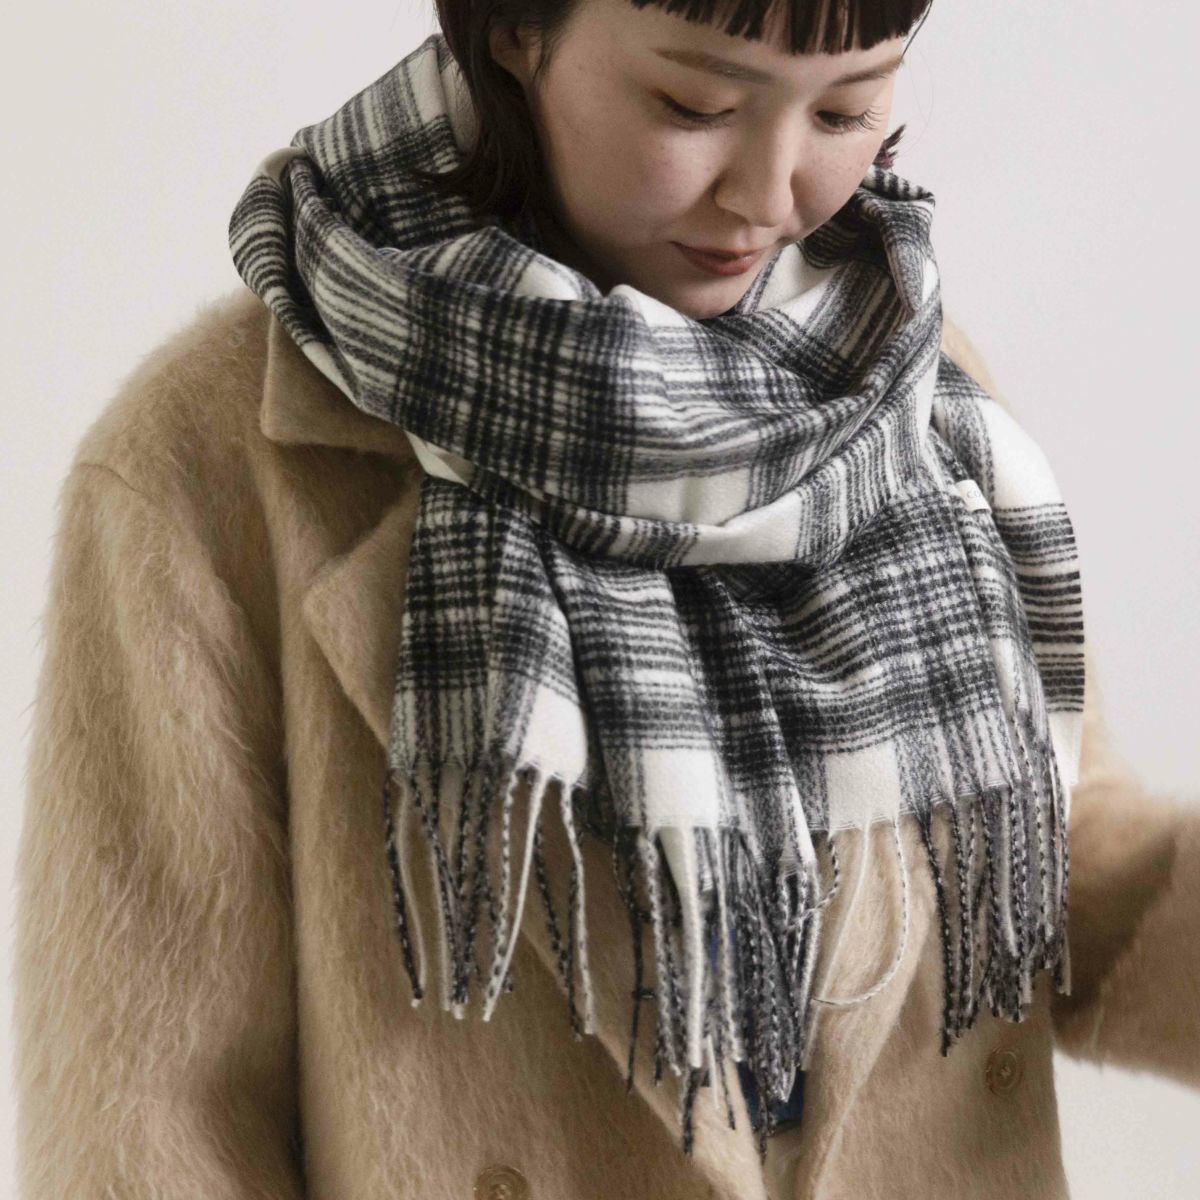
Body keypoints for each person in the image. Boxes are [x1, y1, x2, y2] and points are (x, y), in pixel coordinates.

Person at [13, 1, 1199, 1198]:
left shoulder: (905, 391)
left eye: (846, 109)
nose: (769, 194)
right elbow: (148, 1127)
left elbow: (1062, 874)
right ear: (517, 28)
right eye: (697, 105)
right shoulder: (204, 472)